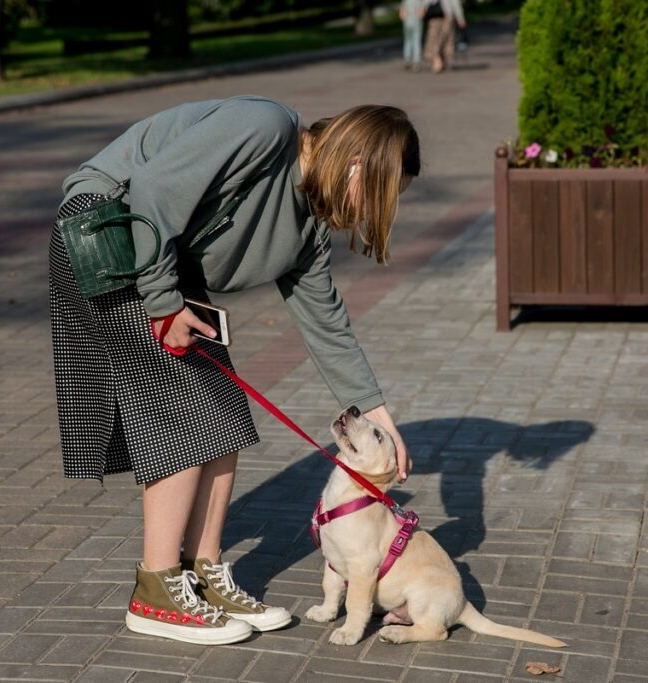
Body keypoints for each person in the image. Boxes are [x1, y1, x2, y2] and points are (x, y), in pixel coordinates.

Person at [49, 96, 418, 645]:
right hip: (109, 233)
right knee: (182, 417)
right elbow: (152, 191)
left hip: (163, 263)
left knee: (224, 417)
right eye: (381, 195)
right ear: (359, 165)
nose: (369, 213)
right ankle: (155, 590)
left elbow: (327, 324)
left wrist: (381, 417)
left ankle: (204, 574)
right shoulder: (265, 128)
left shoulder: (308, 227)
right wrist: (163, 304)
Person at [424, 0, 466, 73]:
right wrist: (460, 18)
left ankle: (439, 60)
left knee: (436, 39)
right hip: (445, 15)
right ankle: (440, 60)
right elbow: (455, 4)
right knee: (445, 39)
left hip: (436, 16)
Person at [400, 0, 426, 72]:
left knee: (408, 41)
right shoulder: (419, 1)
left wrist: (405, 19)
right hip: (416, 22)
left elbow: (402, 13)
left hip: (407, 22)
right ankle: (416, 61)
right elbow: (421, 12)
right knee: (416, 41)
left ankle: (407, 58)